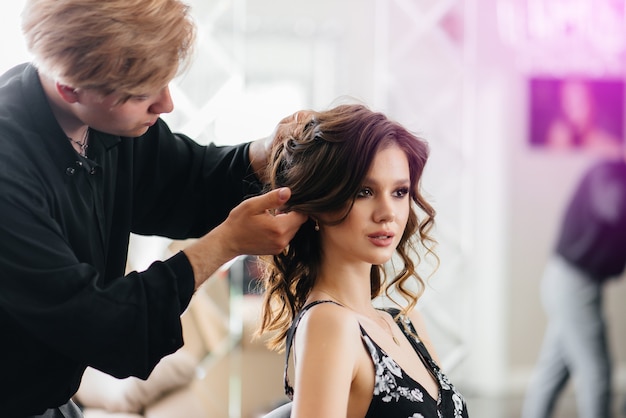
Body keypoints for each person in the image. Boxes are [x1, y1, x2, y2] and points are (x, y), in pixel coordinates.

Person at [0, 0, 307, 416]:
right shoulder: (8, 175)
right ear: (70, 87)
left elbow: (189, 179)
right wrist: (224, 245)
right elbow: (95, 321)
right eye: (143, 94)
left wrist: (264, 152)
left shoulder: (105, 123)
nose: (166, 104)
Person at [256, 104, 470, 417]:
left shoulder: (405, 324)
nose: (388, 213)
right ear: (321, 204)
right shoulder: (329, 324)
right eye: (364, 191)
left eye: (399, 192)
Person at [521, 157, 626, 418]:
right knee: (597, 373)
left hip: (571, 281)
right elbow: (613, 207)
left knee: (552, 371)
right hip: (575, 284)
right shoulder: (608, 173)